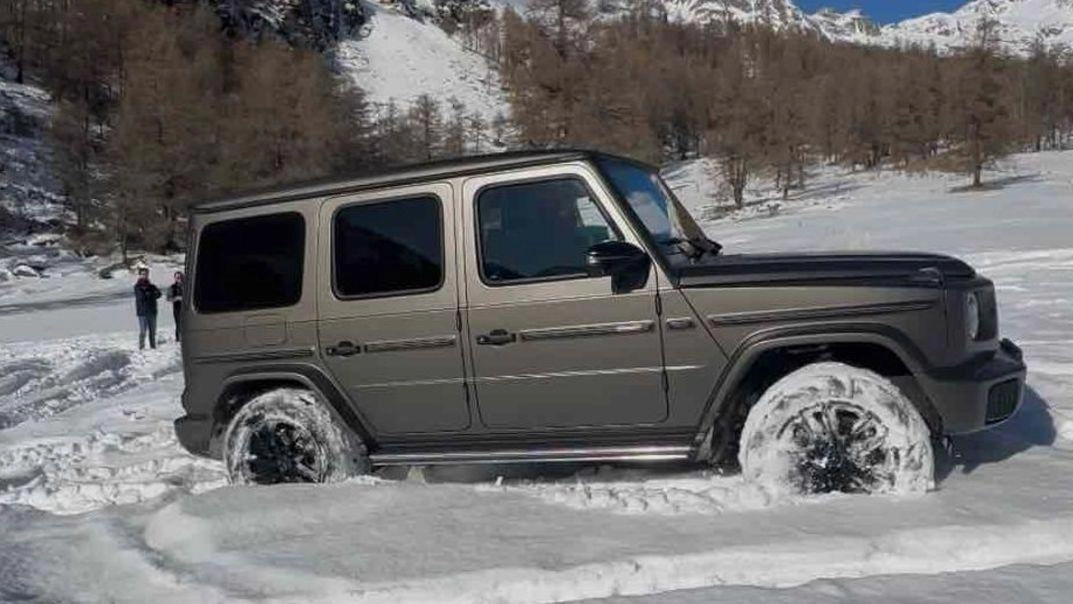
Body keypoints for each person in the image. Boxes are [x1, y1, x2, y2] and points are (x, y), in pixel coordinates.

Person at [134, 266, 162, 350]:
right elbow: (141, 297)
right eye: (143, 274)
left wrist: (151, 294)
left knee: (152, 331)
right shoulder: (137, 286)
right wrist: (150, 294)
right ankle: (141, 347)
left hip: (152, 311)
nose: (144, 275)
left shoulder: (152, 286)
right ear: (140, 275)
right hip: (142, 313)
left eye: (146, 274)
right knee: (143, 331)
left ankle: (153, 346)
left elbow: (159, 294)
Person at [166, 271, 184, 343]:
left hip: (186, 309)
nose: (179, 279)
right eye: (177, 277)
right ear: (175, 278)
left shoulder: (188, 286)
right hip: (177, 309)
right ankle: (178, 339)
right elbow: (168, 298)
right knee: (179, 324)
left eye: (180, 277)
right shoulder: (172, 287)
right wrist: (176, 298)